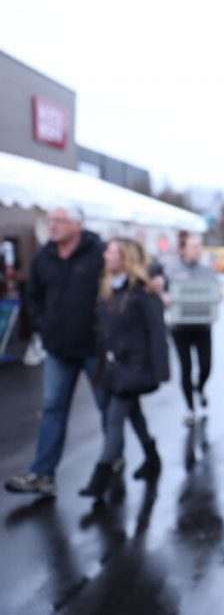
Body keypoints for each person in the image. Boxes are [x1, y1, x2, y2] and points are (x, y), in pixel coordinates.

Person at [5, 207, 105, 497]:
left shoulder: (98, 253)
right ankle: (42, 473)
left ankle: (111, 463)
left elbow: (130, 272)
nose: (53, 226)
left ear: (77, 224)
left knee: (108, 407)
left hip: (93, 348)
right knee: (52, 408)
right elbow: (33, 296)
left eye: (59, 221)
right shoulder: (44, 256)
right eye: (50, 221)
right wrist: (43, 326)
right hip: (58, 348)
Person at [79, 238, 168, 497]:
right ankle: (152, 458)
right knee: (133, 414)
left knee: (115, 418)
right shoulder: (108, 289)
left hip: (135, 367)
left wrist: (159, 371)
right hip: (114, 367)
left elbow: (157, 332)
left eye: (111, 251)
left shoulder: (143, 292)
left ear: (125, 257)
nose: (105, 255)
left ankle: (101, 475)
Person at [165, 234, 219, 426]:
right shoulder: (171, 270)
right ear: (183, 249)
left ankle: (201, 387)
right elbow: (161, 290)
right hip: (180, 327)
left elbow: (216, 294)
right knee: (185, 367)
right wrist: (165, 298)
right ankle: (190, 408)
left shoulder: (207, 271)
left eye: (199, 247)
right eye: (193, 247)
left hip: (202, 326)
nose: (197, 250)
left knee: (206, 365)